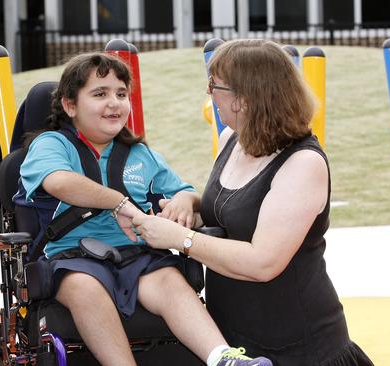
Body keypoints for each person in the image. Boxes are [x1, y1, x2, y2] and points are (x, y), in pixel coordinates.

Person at [13, 52, 272, 366]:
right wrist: (119, 203)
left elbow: (188, 196)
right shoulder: (52, 145)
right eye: (100, 94)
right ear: (70, 106)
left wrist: (185, 201)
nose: (114, 102)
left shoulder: (140, 154)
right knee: (86, 287)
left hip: (137, 255)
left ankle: (225, 359)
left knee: (170, 281)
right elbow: (59, 183)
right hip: (71, 257)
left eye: (121, 94)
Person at [132, 39, 374, 366]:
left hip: (301, 349)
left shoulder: (303, 164)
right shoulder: (234, 140)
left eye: (214, 85)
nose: (209, 93)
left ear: (244, 99)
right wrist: (189, 202)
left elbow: (263, 262)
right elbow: (233, 211)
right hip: (237, 341)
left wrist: (180, 239)